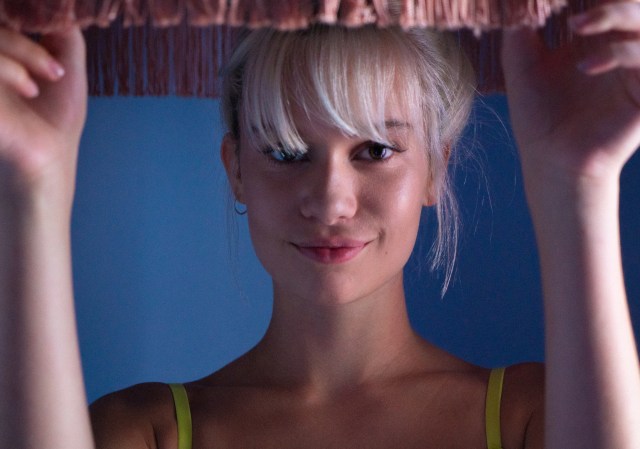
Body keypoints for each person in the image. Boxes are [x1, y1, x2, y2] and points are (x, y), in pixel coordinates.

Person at [1, 1, 639, 448]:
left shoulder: (537, 418)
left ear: (437, 168)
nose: (331, 202)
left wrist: (577, 183)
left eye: (375, 150)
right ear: (236, 169)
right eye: (286, 152)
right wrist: (34, 184)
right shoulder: (142, 433)